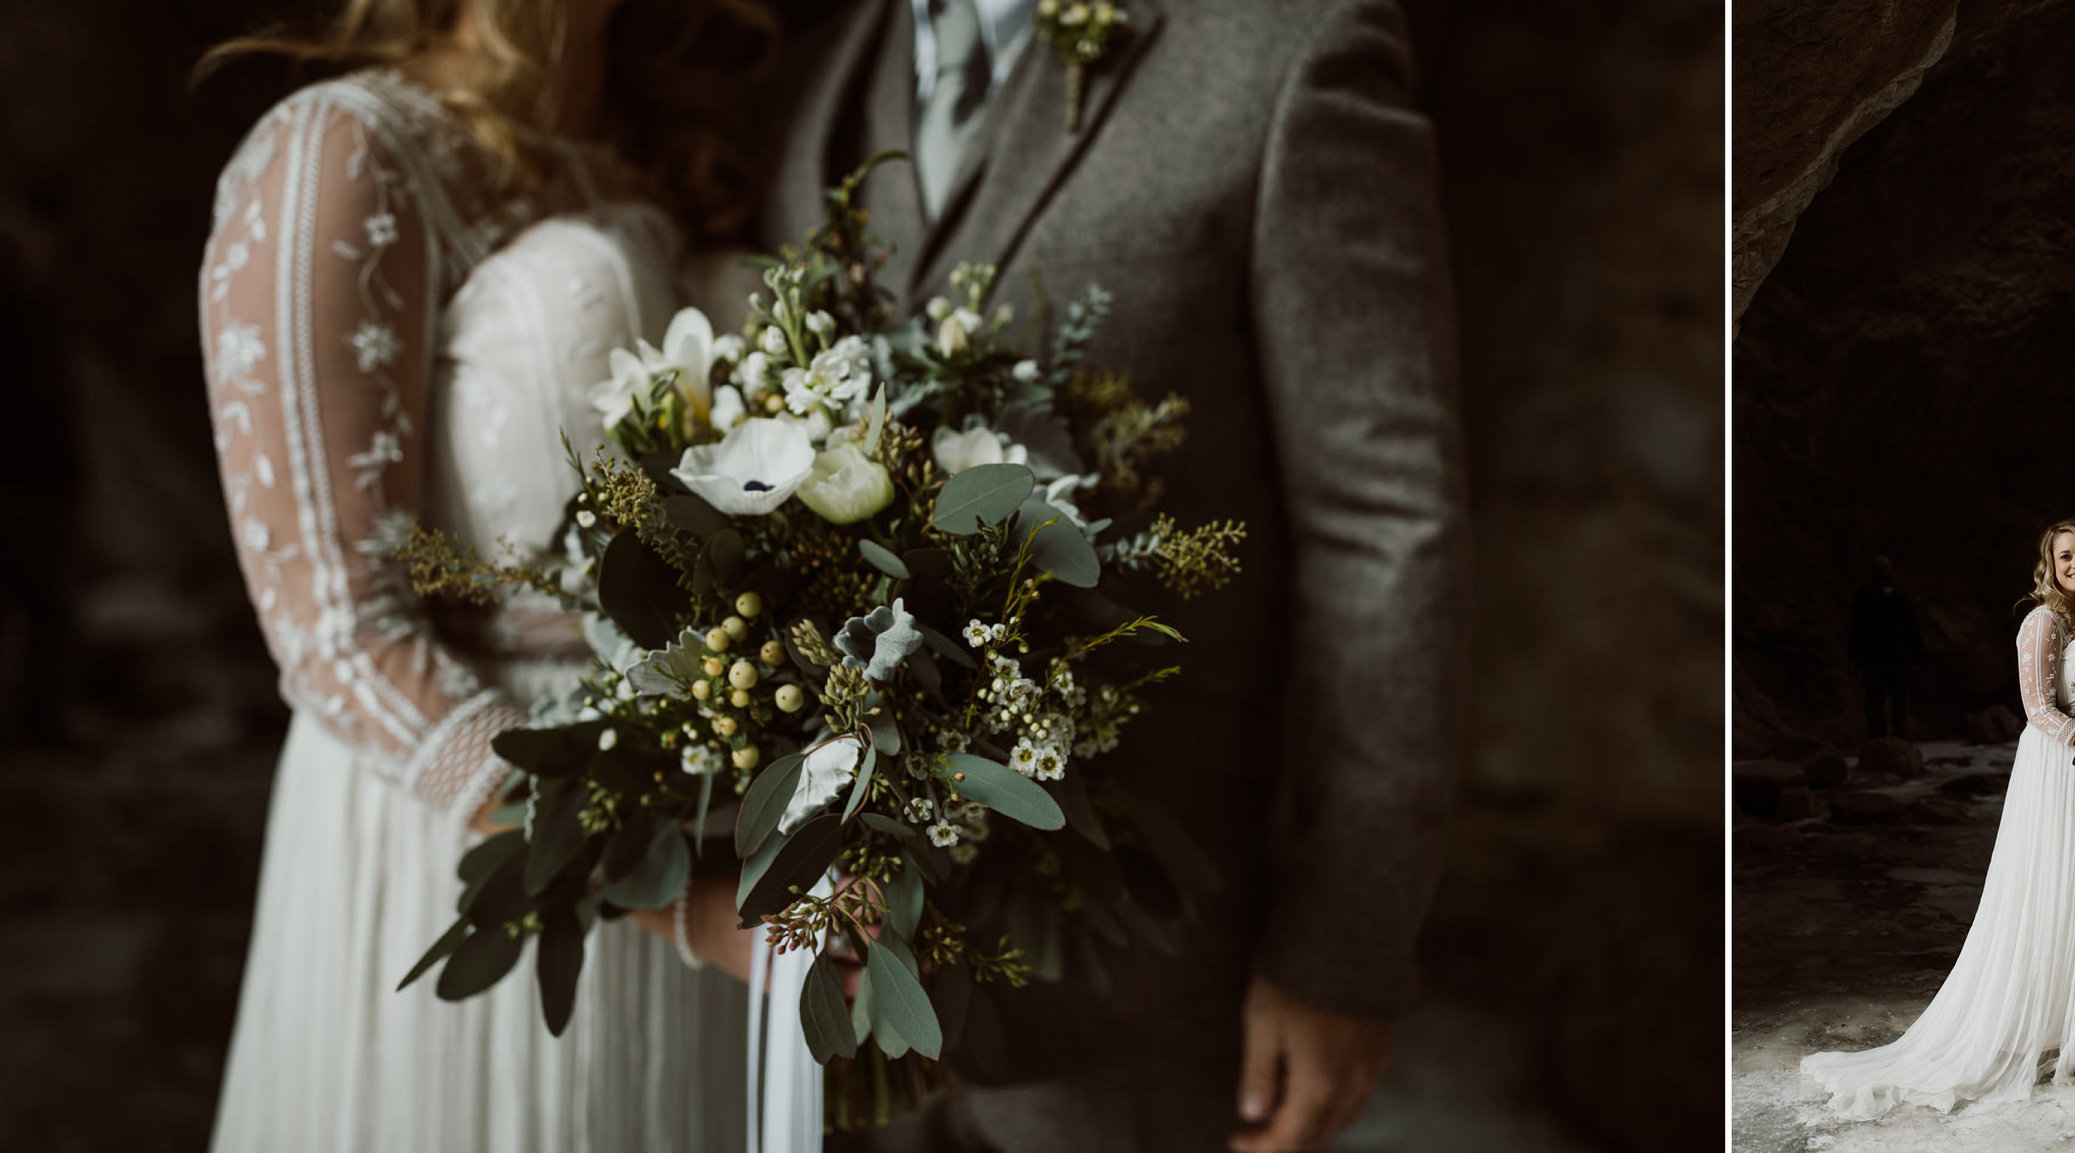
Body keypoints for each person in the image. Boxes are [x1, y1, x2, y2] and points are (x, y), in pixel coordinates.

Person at [719, 1, 1471, 1149]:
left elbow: (1385, 519)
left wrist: (1343, 950)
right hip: (837, 992)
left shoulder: (1294, 53)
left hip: (1143, 979)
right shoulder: (823, 64)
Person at [195, 1, 767, 1146]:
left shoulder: (661, 149)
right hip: (475, 864)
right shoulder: (344, 151)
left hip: (712, 858)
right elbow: (336, 632)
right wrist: (684, 909)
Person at [1801, 519, 2075, 1117]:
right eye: (2064, 556)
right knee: (2048, 888)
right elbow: (2037, 712)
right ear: (2049, 564)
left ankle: (2070, 1019)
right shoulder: (2042, 620)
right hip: (2061, 770)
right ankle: (2027, 1024)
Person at [1847, 555, 1921, 739]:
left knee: (1875, 699)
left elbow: (1856, 627)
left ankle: (1877, 738)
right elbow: (1913, 628)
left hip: (1872, 655)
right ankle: (1901, 736)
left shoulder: (1864, 595)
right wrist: (1916, 656)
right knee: (1899, 699)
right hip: (1899, 654)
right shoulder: (1901, 594)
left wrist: (1853, 654)